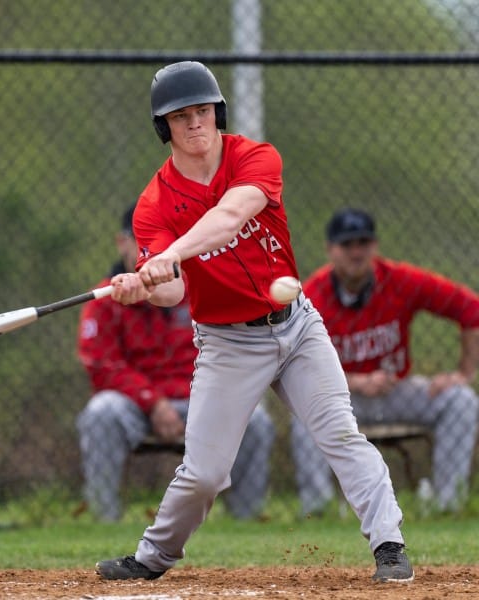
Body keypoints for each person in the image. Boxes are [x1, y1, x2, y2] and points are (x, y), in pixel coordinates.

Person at [94, 61, 413, 584]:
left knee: (340, 434)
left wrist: (169, 253)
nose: (195, 124)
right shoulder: (153, 204)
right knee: (204, 473)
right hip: (227, 343)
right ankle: (153, 556)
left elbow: (229, 216)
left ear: (217, 113)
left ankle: (389, 544)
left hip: (297, 327)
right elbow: (175, 289)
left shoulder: (254, 156)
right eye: (181, 116)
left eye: (203, 111)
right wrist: (143, 286)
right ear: (163, 127)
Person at [76, 204, 275, 522]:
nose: (149, 252)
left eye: (158, 243)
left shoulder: (200, 287)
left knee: (256, 418)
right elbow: (102, 366)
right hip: (137, 407)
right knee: (101, 413)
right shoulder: (105, 299)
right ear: (121, 243)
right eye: (139, 240)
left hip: (202, 398)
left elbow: (231, 350)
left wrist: (210, 397)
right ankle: (104, 517)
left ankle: (247, 519)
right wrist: (152, 403)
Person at [292, 208, 479, 515]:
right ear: (330, 250)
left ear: (375, 246)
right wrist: (356, 381)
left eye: (363, 243)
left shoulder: (400, 281)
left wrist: (464, 373)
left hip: (397, 393)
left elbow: (470, 309)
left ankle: (448, 504)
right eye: (347, 244)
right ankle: (318, 508)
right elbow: (297, 368)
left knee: (460, 400)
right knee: (303, 410)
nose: (356, 252)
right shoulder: (313, 296)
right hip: (342, 398)